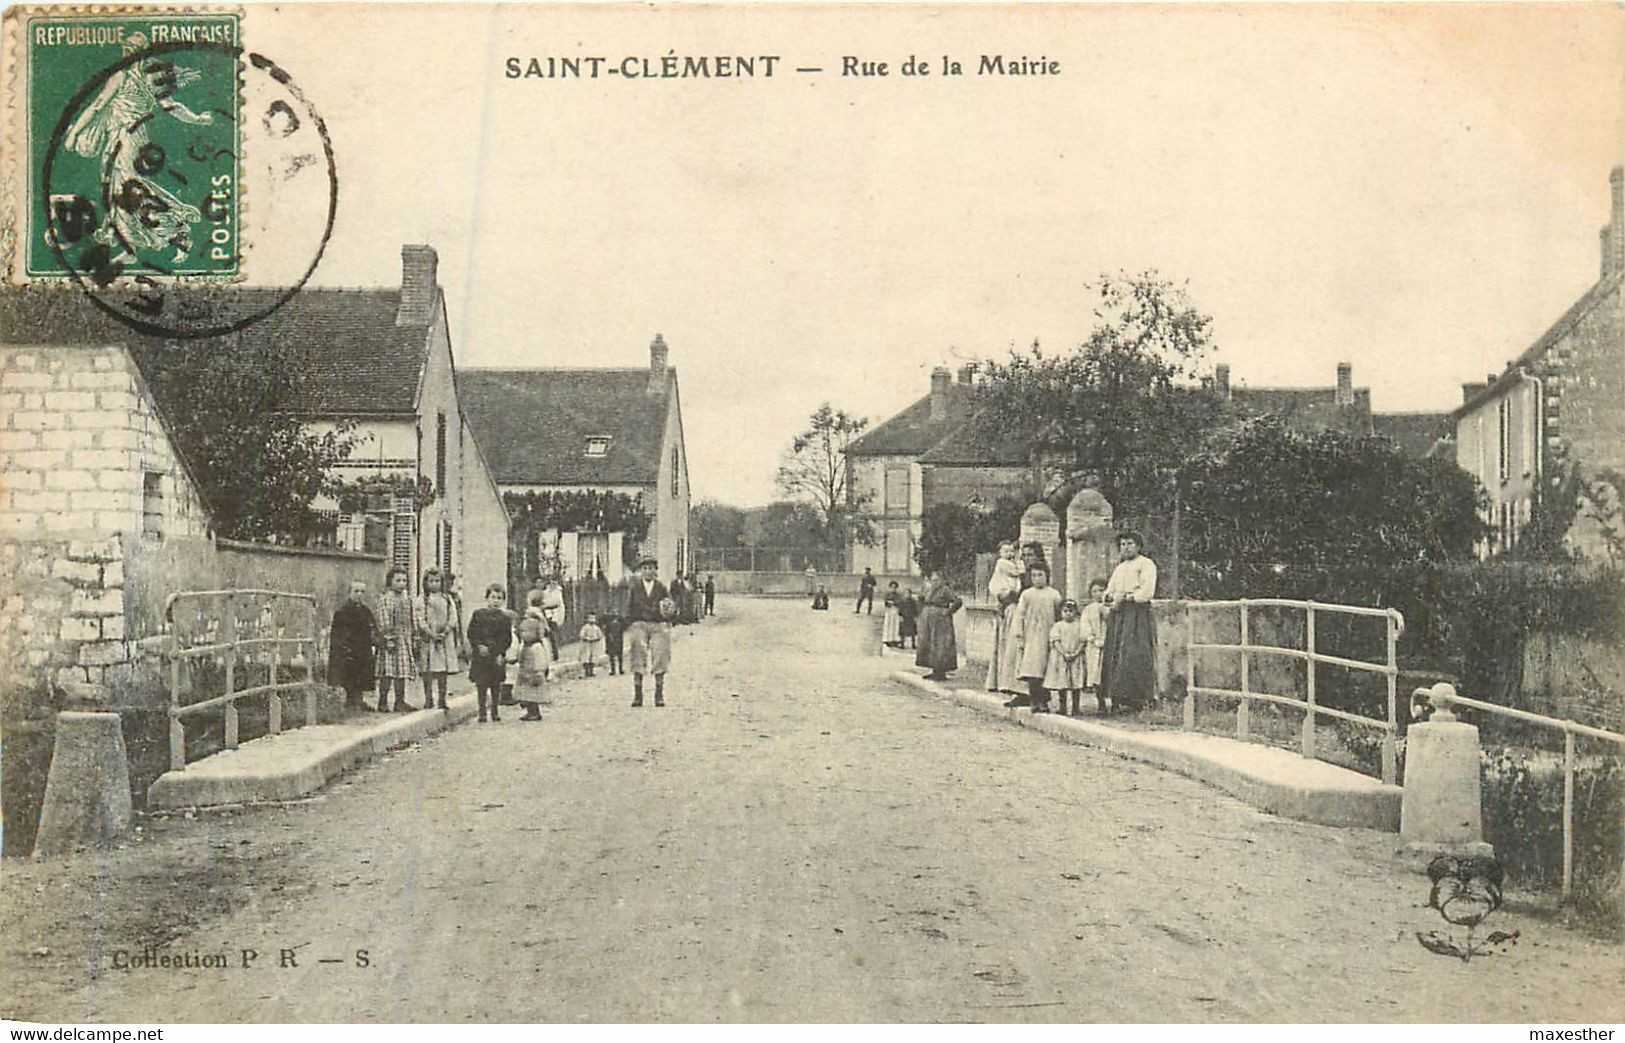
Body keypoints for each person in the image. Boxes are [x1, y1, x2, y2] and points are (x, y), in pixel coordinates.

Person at [1099, 531, 1159, 713]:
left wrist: (1128, 597)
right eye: (1123, 544)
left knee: (1135, 651)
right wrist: (1110, 597)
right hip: (1119, 614)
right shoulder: (1120, 568)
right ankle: (1117, 696)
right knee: (1115, 651)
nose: (1126, 547)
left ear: (1138, 546)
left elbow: (1147, 591)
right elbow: (1108, 591)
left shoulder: (1146, 564)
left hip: (1137, 613)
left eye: (1130, 543)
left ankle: (1139, 698)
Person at [1011, 563, 1063, 712]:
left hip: (1048, 635)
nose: (1037, 579)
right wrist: (1019, 634)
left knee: (1046, 670)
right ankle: (1034, 700)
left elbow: (1059, 615)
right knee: (1033, 669)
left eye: (1040, 575)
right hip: (1031, 636)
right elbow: (1019, 615)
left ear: (1047, 576)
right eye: (1033, 575)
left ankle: (1044, 702)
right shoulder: (1027, 594)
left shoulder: (1053, 594)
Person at [626, 556, 673, 707]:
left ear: (655, 571)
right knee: (637, 649)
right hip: (639, 623)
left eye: (651, 568)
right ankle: (638, 694)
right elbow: (629, 609)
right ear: (641, 571)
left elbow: (670, 607)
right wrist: (631, 624)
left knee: (660, 652)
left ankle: (659, 693)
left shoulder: (661, 588)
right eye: (645, 568)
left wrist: (668, 612)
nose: (648, 571)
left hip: (657, 624)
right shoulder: (635, 588)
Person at [327, 580, 378, 712]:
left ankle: (359, 700)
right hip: (349, 649)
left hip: (363, 648)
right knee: (350, 675)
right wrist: (344, 647)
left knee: (362, 674)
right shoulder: (343, 611)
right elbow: (338, 633)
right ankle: (350, 701)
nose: (359, 594)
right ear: (349, 593)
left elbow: (372, 627)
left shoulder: (365, 610)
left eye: (362, 592)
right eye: (356, 591)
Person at [416, 567, 463, 712]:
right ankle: (428, 698)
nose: (434, 584)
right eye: (431, 581)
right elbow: (419, 618)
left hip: (444, 638)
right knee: (428, 669)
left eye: (437, 581)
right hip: (429, 638)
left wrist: (446, 630)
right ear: (426, 583)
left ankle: (442, 699)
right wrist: (429, 632)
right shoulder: (422, 599)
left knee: (442, 670)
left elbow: (453, 616)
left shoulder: (447, 599)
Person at [467, 583, 514, 723]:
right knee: (481, 684)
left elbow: (507, 638)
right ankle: (482, 712)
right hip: (481, 656)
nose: (495, 601)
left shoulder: (504, 618)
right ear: (487, 598)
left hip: (495, 656)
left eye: (499, 598)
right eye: (493, 597)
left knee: (495, 684)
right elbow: (472, 633)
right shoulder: (478, 615)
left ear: (503, 600)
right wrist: (479, 645)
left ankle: (494, 710)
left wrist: (501, 653)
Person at [984, 540, 1026, 697]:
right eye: (1006, 551)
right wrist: (1019, 562)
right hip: (1008, 604)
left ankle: (1005, 680)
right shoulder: (1003, 564)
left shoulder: (1009, 563)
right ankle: (1003, 679)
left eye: (1011, 551)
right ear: (1000, 553)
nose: (1009, 554)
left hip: (1011, 604)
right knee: (1005, 644)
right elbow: (1017, 572)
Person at [376, 566, 420, 712]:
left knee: (401, 672)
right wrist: (388, 638)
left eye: (404, 580)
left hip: (404, 638)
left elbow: (411, 618)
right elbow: (383, 619)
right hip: (392, 639)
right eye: (398, 580)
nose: (401, 583)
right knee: (388, 671)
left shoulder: (407, 598)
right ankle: (382, 702)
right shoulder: (386, 599)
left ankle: (399, 701)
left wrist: (413, 635)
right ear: (390, 582)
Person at [914, 569, 964, 681]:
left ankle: (941, 672)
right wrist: (921, 609)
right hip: (928, 619)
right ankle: (933, 670)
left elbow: (958, 601)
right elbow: (921, 599)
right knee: (929, 643)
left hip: (941, 621)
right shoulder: (928, 589)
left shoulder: (945, 590)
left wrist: (948, 611)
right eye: (933, 580)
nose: (934, 582)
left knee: (940, 644)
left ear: (942, 580)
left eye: (937, 580)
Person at [514, 593, 554, 721]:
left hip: (533, 674)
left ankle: (534, 712)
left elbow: (541, 661)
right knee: (525, 693)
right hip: (524, 673)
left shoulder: (537, 647)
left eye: (528, 632)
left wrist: (539, 671)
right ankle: (529, 711)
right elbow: (520, 656)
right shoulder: (524, 646)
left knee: (533, 693)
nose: (524, 635)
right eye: (522, 632)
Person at [1044, 598, 1088, 717]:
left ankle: (1075, 707)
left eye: (1071, 611)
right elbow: (1055, 641)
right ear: (1061, 613)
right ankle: (1062, 707)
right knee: (1062, 683)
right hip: (1061, 659)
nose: (1068, 613)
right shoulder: (1058, 626)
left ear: (1075, 612)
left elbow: (1083, 641)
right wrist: (1064, 653)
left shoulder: (1079, 626)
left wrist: (1075, 653)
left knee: (1075, 683)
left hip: (1075, 658)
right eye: (1065, 611)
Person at [1080, 579, 1108, 715]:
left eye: (1101, 590)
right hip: (1094, 646)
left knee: (1108, 674)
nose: (1098, 594)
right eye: (1094, 591)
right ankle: (1101, 703)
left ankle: (1114, 703)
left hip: (1108, 645)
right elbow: (1084, 627)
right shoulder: (1088, 609)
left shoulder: (1111, 608)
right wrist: (1092, 638)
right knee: (1096, 675)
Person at [539, 576, 566, 661]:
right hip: (546, 614)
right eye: (551, 583)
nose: (552, 584)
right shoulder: (545, 592)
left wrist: (546, 605)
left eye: (554, 583)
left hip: (554, 616)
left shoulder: (557, 592)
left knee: (552, 635)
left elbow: (556, 602)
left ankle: (555, 654)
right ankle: (547, 653)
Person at [880, 581, 903, 647]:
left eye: (895, 587)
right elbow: (885, 601)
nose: (893, 588)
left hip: (895, 610)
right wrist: (889, 603)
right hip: (889, 610)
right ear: (890, 587)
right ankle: (887, 639)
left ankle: (895, 639)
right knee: (888, 624)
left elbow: (899, 602)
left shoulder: (898, 595)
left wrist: (894, 603)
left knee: (895, 624)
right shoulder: (887, 594)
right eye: (892, 587)